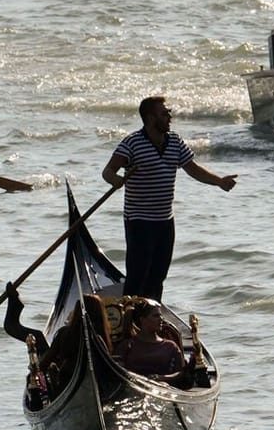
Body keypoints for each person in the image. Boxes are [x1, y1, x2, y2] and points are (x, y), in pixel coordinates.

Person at [101, 96, 237, 301]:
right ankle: (129, 318)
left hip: (165, 221)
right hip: (139, 220)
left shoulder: (174, 141)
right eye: (164, 113)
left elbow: (193, 169)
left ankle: (152, 318)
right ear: (150, 118)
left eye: (169, 112)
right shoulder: (133, 143)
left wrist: (219, 182)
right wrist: (116, 180)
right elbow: (107, 171)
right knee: (138, 276)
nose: (170, 116)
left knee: (158, 277)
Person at [111, 299, 187, 378]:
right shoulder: (127, 346)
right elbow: (117, 372)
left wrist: (163, 378)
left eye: (161, 315)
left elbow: (181, 374)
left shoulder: (170, 346)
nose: (161, 319)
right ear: (142, 320)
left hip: (164, 387)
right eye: (156, 316)